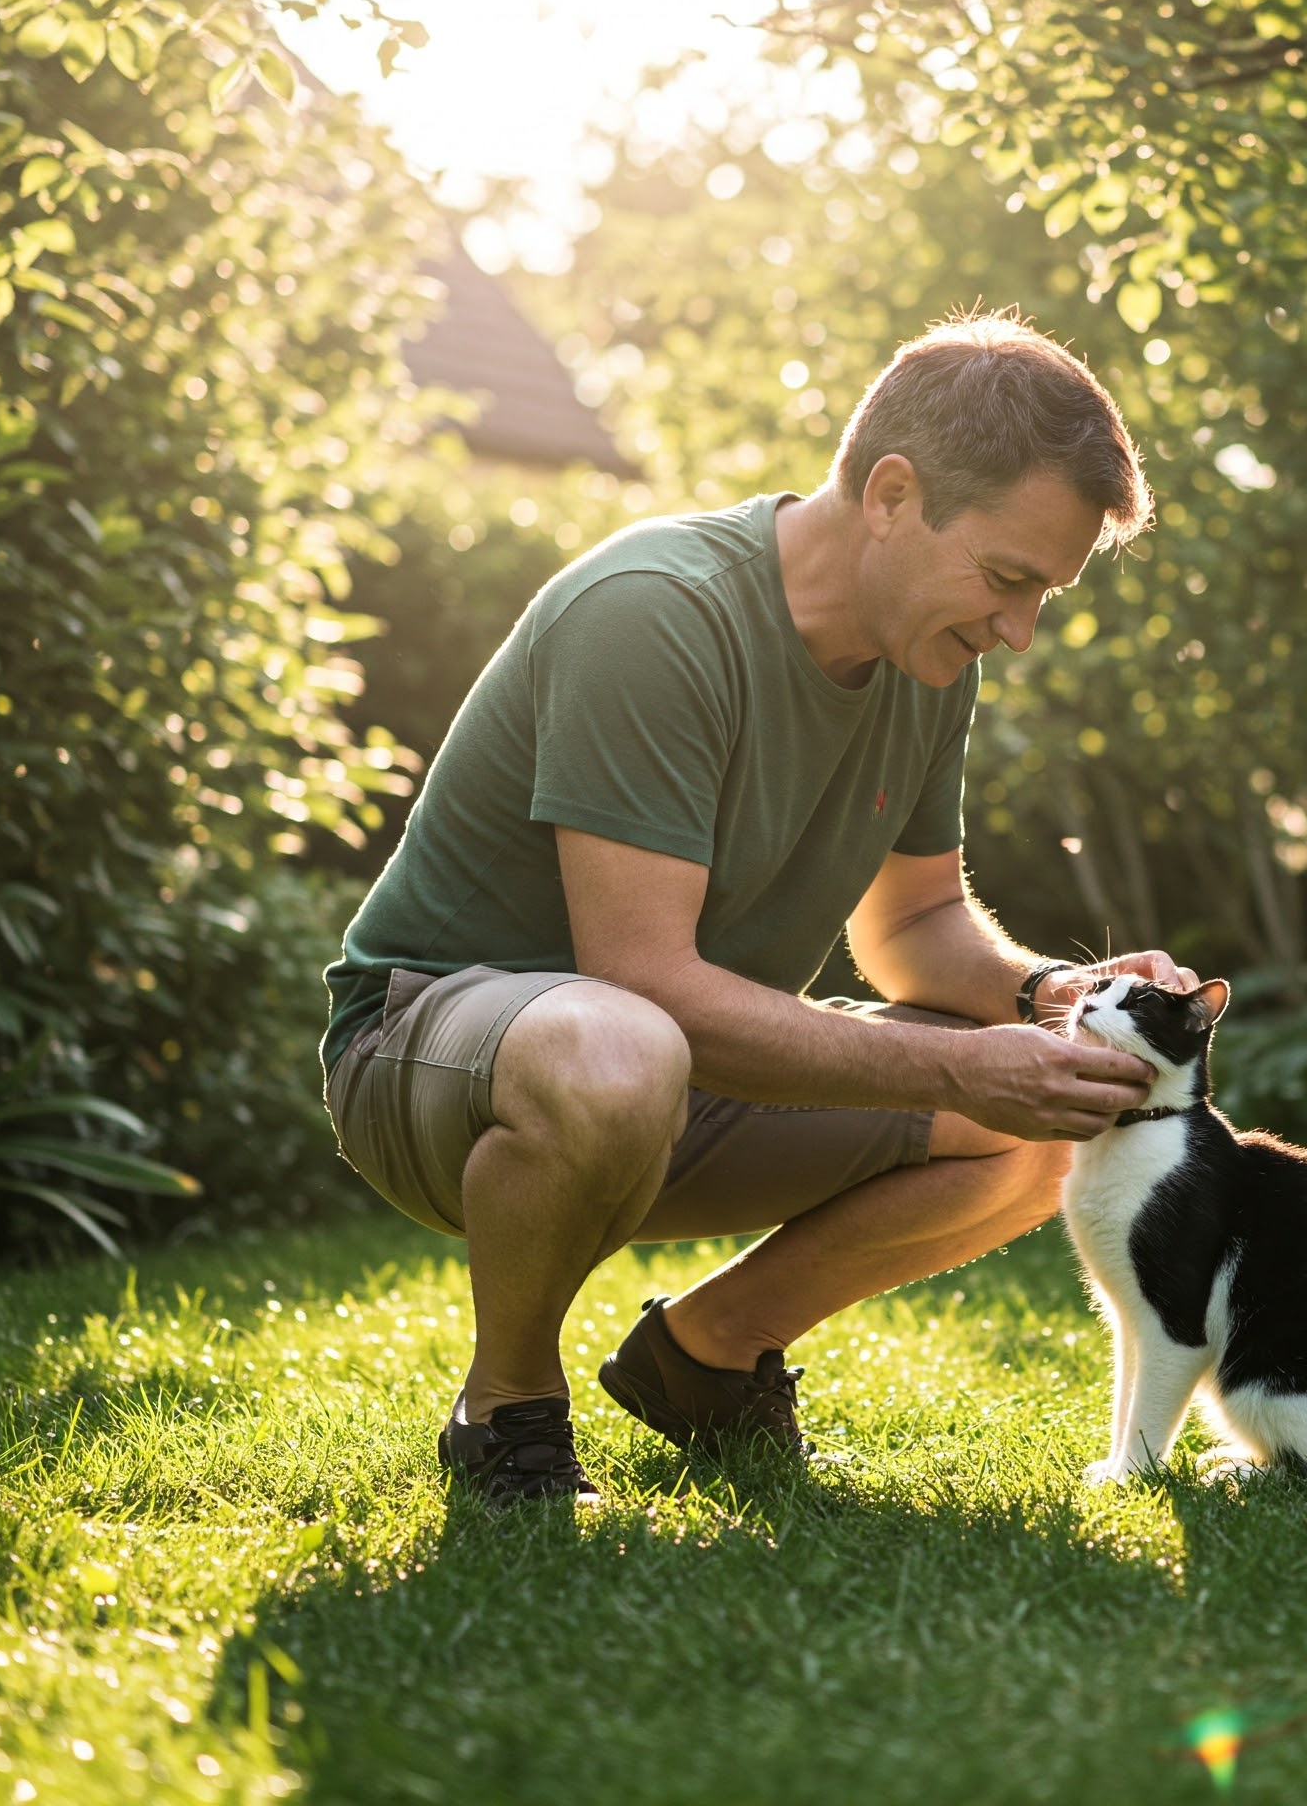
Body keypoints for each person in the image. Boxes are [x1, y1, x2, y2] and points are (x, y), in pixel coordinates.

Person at [320, 314, 1189, 1504]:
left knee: (1048, 1110)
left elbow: (912, 925)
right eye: (1006, 578)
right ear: (891, 493)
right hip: (433, 1056)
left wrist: (1045, 997)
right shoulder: (655, 613)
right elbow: (642, 979)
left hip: (675, 1068)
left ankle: (703, 1359)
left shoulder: (925, 656)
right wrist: (952, 1069)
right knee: (618, 1043)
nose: (1016, 628)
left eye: (1039, 594)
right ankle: (508, 1407)